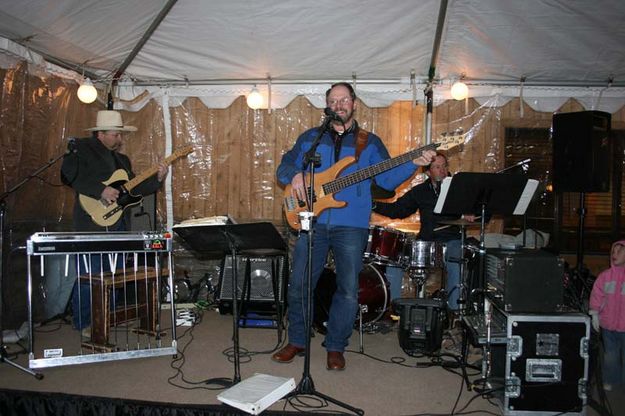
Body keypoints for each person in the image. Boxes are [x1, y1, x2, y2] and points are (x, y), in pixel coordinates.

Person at [273, 82, 435, 370]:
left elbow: (385, 181)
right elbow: (284, 166)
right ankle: (297, 340)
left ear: (354, 103)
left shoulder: (368, 142)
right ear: (327, 106)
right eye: (333, 100)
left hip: (352, 224)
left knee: (348, 289)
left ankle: (335, 346)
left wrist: (414, 163)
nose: (339, 104)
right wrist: (294, 175)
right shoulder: (311, 137)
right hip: (311, 220)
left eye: (344, 99)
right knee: (300, 283)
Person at [59, 110, 169, 330]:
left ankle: (105, 319)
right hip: (90, 223)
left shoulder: (122, 160)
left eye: (120, 135)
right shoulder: (81, 148)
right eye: (115, 135)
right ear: (100, 133)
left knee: (115, 274)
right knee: (90, 275)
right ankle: (84, 323)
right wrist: (101, 190)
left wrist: (157, 180)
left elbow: (132, 190)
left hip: (117, 223)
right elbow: (68, 175)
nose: (120, 139)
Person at [372, 152, 474, 312]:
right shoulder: (420, 191)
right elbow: (397, 210)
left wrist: (471, 212)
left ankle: (455, 313)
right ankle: (394, 310)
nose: (442, 170)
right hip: (426, 241)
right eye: (437, 167)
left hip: (452, 240)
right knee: (395, 259)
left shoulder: (460, 188)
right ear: (427, 172)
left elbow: (483, 207)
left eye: (444, 166)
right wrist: (372, 204)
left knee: (457, 261)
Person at [589, 239, 625, 391]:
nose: (615, 254)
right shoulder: (605, 276)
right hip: (608, 324)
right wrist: (595, 313)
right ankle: (610, 379)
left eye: (619, 251)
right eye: (613, 252)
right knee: (610, 355)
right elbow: (597, 294)